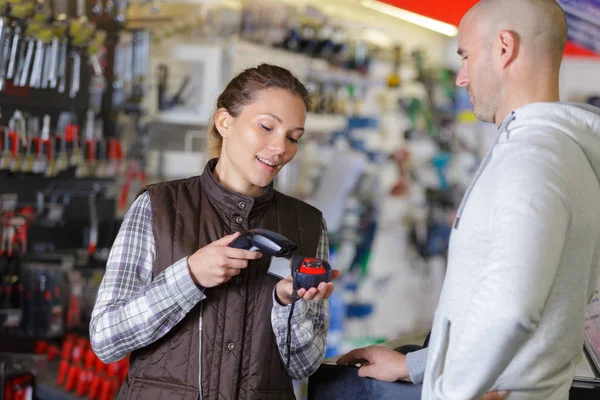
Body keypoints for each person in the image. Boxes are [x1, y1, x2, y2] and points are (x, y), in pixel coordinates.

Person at [338, 0, 600, 399]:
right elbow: (541, 303)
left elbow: (511, 309)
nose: (461, 77)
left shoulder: (531, 159)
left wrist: (454, 389)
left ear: (504, 48)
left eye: (465, 56)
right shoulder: (560, 152)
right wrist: (418, 365)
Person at [90, 64, 341, 400]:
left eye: (293, 137)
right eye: (267, 126)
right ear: (225, 122)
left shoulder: (308, 224)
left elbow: (303, 367)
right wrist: (189, 276)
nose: (281, 147)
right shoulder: (158, 206)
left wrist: (288, 305)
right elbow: (106, 339)